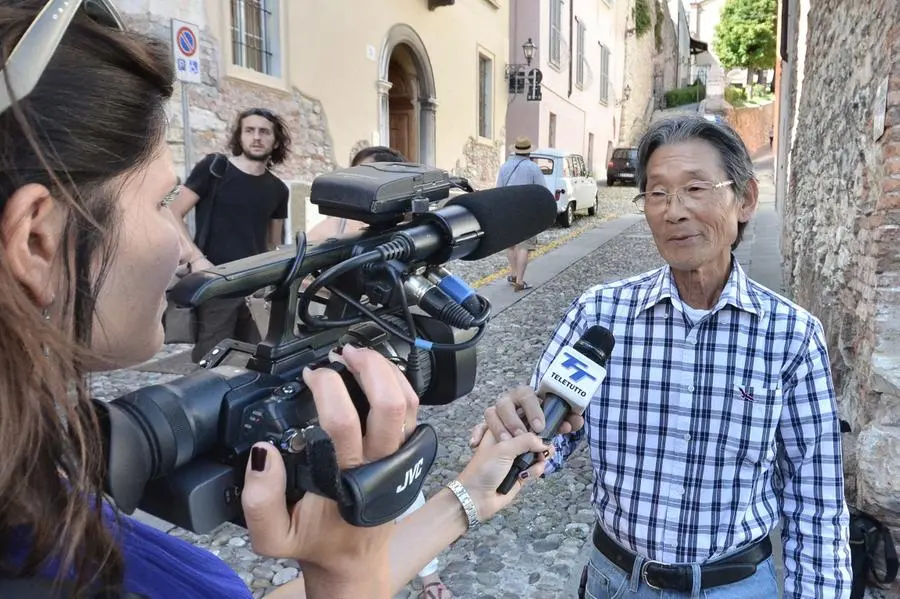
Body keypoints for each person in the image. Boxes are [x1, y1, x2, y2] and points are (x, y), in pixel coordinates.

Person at [0, 1, 553, 598]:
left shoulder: (28, 480)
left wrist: (460, 500)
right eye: (161, 203)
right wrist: (347, 573)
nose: (176, 244)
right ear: (39, 239)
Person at [475, 115, 853, 599]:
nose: (674, 211)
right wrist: (515, 437)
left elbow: (815, 499)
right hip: (616, 581)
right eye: (657, 193)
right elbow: (553, 432)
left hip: (736, 585)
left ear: (745, 200)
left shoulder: (791, 336)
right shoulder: (600, 313)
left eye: (696, 188)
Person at [309, 144, 454, 598]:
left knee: (399, 465)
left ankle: (427, 572)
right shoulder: (324, 234)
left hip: (391, 370)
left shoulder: (406, 244)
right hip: (334, 370)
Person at [169, 107, 291, 363]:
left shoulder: (279, 189)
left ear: (275, 141)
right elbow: (171, 210)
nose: (256, 137)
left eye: (264, 132)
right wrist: (195, 258)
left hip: (255, 289)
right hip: (216, 283)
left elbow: (273, 243)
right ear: (240, 136)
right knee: (211, 361)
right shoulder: (214, 168)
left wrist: (275, 281)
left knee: (255, 360)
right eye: (249, 130)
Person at [307, 145, 407, 244]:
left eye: (364, 174)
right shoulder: (332, 229)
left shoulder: (409, 231)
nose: (354, 179)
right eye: (354, 171)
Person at [496, 137, 549, 292]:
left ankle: (512, 274)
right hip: (527, 211)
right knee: (524, 245)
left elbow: (498, 189)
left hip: (507, 209)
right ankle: (519, 281)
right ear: (528, 151)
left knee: (511, 244)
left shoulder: (504, 167)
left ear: (515, 150)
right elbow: (542, 191)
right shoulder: (533, 168)